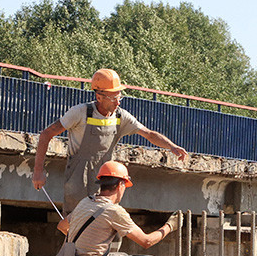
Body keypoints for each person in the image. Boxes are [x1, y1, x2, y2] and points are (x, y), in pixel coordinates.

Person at [32, 68, 187, 219]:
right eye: (113, 98)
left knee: (105, 223)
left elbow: (148, 134)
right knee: (75, 223)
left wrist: (171, 146)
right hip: (78, 178)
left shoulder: (121, 117)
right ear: (99, 97)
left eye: (120, 97)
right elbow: (46, 134)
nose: (118, 102)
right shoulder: (80, 112)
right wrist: (38, 170)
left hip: (106, 178)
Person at [55, 161, 181, 256]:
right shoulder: (114, 211)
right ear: (121, 185)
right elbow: (146, 241)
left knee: (110, 255)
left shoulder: (85, 202)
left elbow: (62, 226)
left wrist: (86, 243)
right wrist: (170, 226)